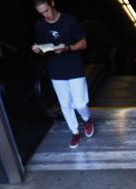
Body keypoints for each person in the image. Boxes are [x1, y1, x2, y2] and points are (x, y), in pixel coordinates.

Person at [32, 0, 94, 149]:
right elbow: (43, 49)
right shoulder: (40, 25)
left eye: (47, 10)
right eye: (42, 13)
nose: (46, 15)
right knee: (65, 105)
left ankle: (87, 120)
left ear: (52, 3)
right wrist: (38, 49)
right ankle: (75, 132)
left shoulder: (69, 20)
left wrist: (68, 48)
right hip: (55, 69)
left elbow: (83, 43)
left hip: (74, 67)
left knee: (79, 103)